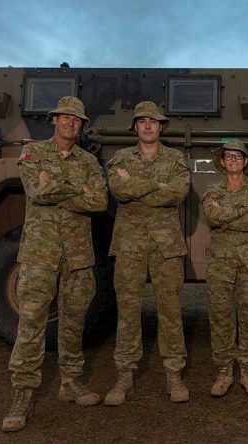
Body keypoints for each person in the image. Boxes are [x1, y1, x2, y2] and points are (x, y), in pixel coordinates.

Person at [2, 96, 109, 432]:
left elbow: (99, 200)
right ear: (54, 120)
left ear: (81, 125)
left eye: (76, 120)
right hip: (40, 254)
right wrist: (76, 189)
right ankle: (22, 395)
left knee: (74, 322)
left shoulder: (90, 161)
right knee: (31, 322)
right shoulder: (34, 153)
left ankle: (71, 382)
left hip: (77, 254)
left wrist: (59, 186)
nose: (70, 123)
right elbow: (37, 191)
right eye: (65, 118)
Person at [104, 101, 191, 405]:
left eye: (153, 121)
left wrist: (137, 186)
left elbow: (177, 193)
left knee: (170, 310)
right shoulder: (120, 158)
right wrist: (157, 185)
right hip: (130, 244)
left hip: (166, 245)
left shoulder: (176, 158)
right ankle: (124, 376)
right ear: (136, 127)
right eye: (142, 121)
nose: (148, 126)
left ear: (161, 126)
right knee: (128, 311)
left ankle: (173, 374)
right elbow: (118, 189)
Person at [202, 140, 248, 398]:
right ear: (222, 162)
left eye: (237, 157)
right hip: (221, 264)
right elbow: (211, 216)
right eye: (228, 157)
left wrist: (226, 215)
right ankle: (224, 371)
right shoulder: (212, 188)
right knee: (221, 318)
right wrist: (242, 213)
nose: (232, 160)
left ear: (245, 162)